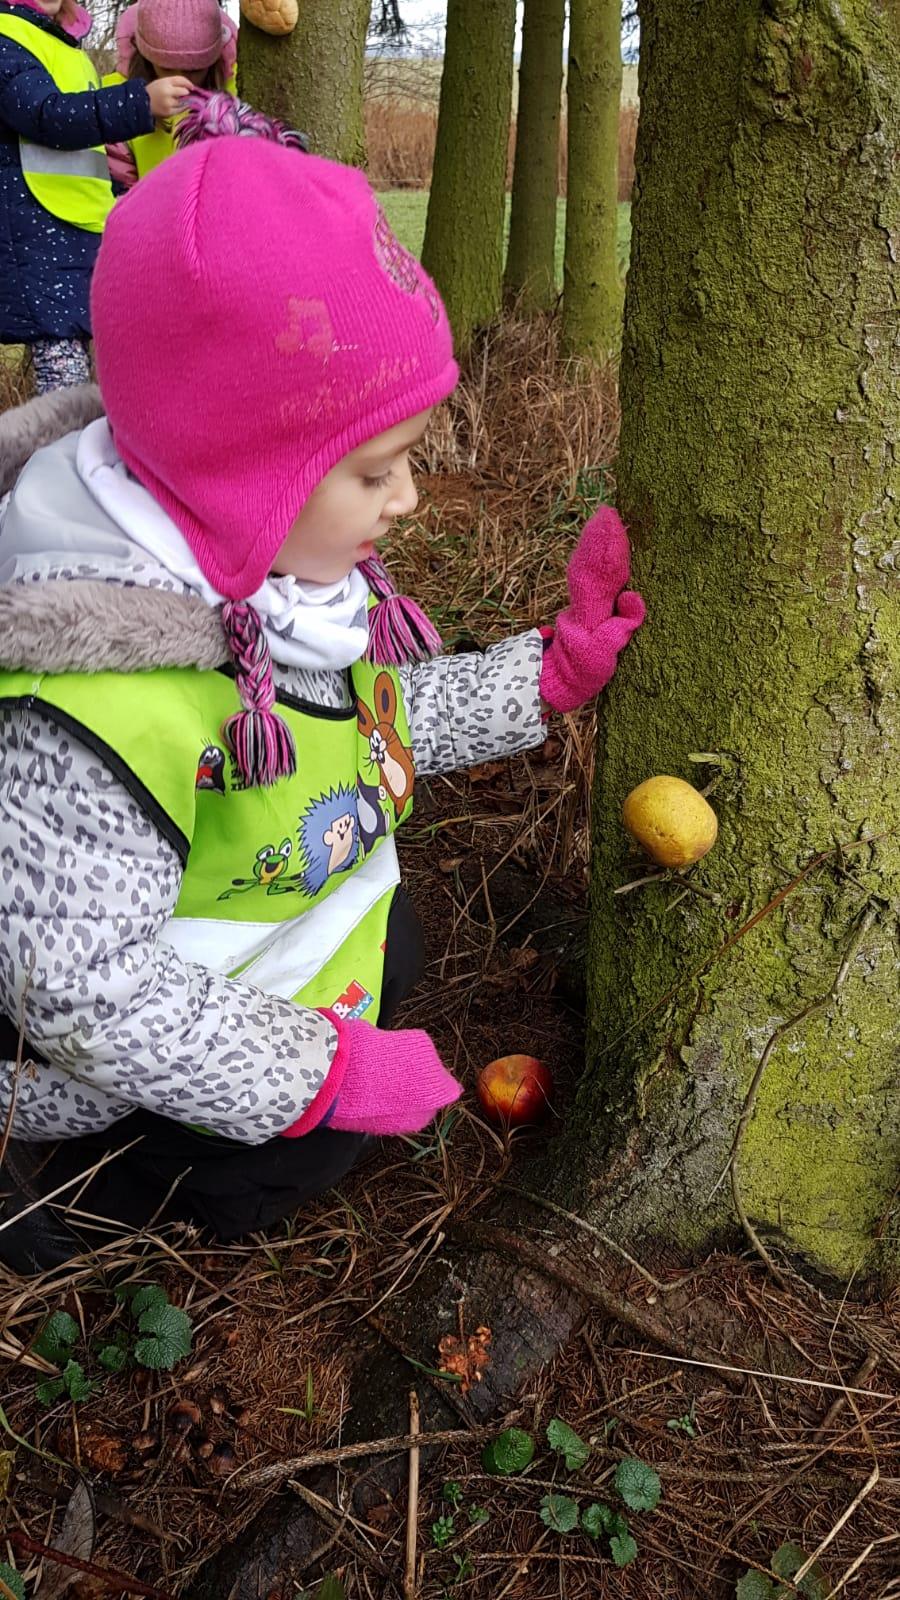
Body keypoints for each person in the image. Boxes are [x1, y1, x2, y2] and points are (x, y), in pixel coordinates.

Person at [0, 138, 645, 1274]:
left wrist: (540, 679)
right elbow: (81, 991)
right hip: (137, 1079)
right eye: (372, 470)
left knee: (395, 952)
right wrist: (319, 1076)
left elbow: (362, 730)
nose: (409, 496)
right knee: (261, 1188)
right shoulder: (92, 706)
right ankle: (91, 1202)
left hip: (287, 964)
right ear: (239, 473)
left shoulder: (271, 585)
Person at [0, 0, 191, 394]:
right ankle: (57, 454)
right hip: (35, 236)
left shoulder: (65, 45)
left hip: (77, 229)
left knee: (88, 373)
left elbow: (91, 155)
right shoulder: (7, 37)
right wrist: (140, 102)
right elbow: (47, 114)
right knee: (64, 379)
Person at [105, 0, 237, 188]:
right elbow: (119, 190)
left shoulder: (241, 87)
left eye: (194, 70)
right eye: (166, 68)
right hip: (149, 212)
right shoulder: (118, 98)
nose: (180, 80)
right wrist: (139, 106)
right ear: (146, 59)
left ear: (214, 61)